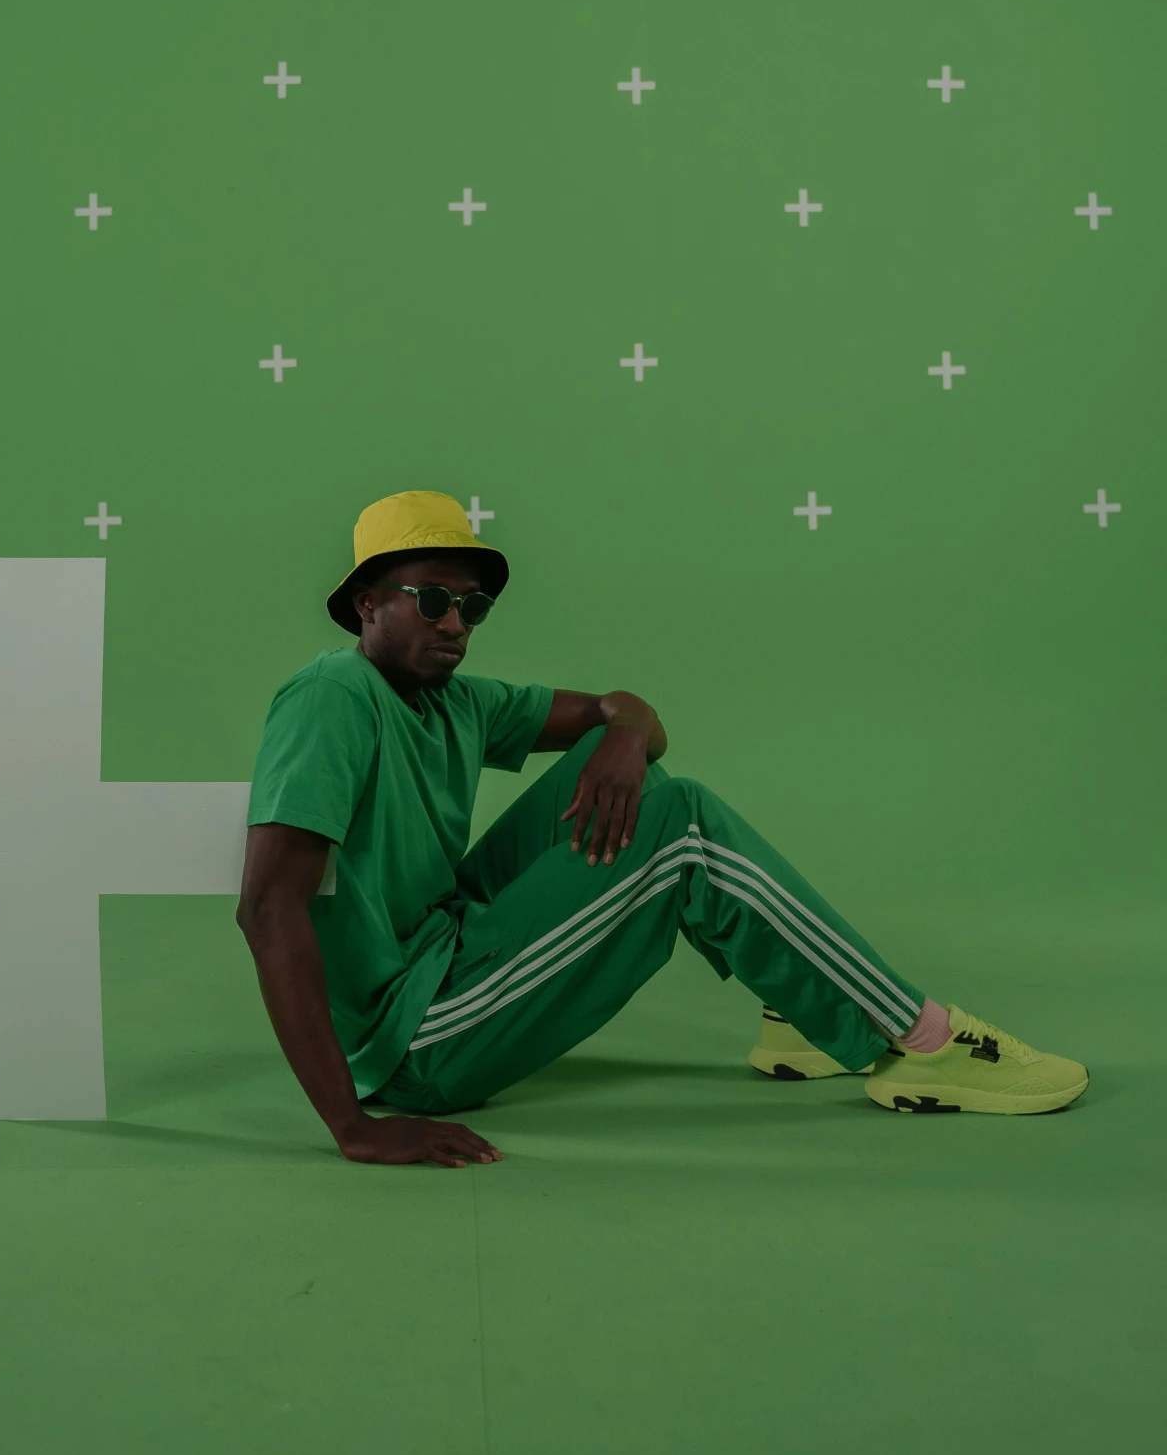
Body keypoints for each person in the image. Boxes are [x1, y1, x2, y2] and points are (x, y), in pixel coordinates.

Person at [237, 491, 1087, 1167]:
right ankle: (922, 1038)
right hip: (412, 1040)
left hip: (445, 950)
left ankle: (801, 1005)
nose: (455, 624)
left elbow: (625, 708)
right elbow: (269, 910)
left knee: (646, 782)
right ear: (364, 606)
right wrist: (351, 1125)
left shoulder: (456, 700)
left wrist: (626, 741)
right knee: (676, 822)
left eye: (473, 605)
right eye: (430, 601)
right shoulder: (331, 700)